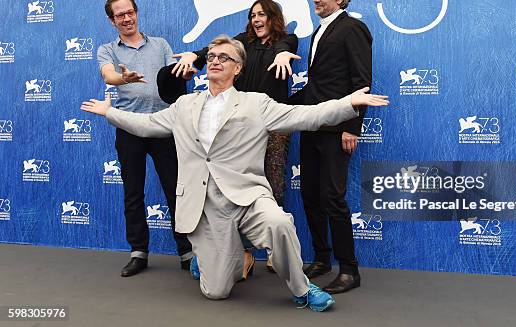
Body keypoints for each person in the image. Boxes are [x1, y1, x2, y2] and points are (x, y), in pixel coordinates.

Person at [82, 35, 388, 311]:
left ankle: (302, 289)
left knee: (279, 222)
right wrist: (109, 112)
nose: (215, 61)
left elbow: (305, 115)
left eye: (223, 57)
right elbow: (147, 125)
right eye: (212, 57)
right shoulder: (185, 105)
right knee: (217, 292)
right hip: (206, 206)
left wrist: (348, 103)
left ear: (238, 68)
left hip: (248, 196)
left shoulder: (257, 104)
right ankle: (208, 261)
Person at [167, 0, 300, 275]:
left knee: (272, 185)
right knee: (233, 188)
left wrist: (283, 55)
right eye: (253, 15)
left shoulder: (286, 41)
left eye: (262, 14)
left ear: (273, 17)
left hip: (272, 125)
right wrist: (195, 55)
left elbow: (287, 47)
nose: (256, 19)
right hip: (238, 127)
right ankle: (244, 254)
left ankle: (277, 250)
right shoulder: (243, 43)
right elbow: (215, 50)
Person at [270, 0, 372, 293]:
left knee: (332, 197)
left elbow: (362, 82)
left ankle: (349, 270)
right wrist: (279, 107)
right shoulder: (317, 33)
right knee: (311, 195)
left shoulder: (353, 28)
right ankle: (322, 259)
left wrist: (352, 127)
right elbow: (316, 88)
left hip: (337, 128)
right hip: (312, 126)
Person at [96, 0, 193, 277]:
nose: (127, 19)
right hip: (129, 129)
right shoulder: (107, 50)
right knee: (133, 193)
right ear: (112, 21)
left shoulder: (161, 44)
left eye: (130, 13)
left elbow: (173, 77)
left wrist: (184, 75)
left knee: (176, 191)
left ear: (137, 13)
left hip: (163, 127)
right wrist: (122, 78)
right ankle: (138, 252)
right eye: (120, 16)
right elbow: (108, 76)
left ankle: (187, 251)